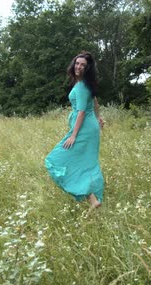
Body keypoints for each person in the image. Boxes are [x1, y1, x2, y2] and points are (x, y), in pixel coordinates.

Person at [45, 51, 105, 208]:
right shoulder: (85, 84)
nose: (79, 67)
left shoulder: (81, 86)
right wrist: (98, 118)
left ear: (87, 68)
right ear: (73, 64)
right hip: (90, 126)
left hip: (84, 128)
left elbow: (82, 112)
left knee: (54, 159)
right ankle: (92, 199)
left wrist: (73, 135)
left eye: (83, 65)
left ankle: (91, 197)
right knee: (83, 161)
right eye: (77, 63)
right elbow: (95, 101)